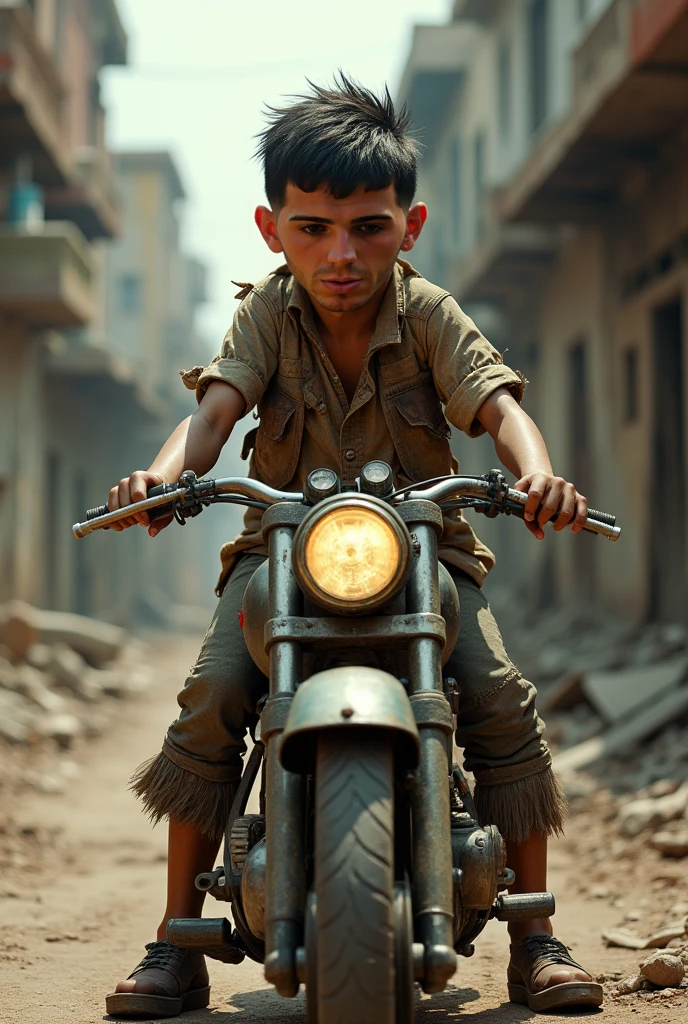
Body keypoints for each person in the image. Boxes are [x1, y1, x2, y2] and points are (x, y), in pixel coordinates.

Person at [105, 75, 603, 1017]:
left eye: (369, 227)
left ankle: (537, 935)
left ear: (409, 225)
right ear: (271, 227)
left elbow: (500, 410)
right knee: (213, 695)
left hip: (427, 554)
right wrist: (161, 478)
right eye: (313, 228)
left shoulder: (430, 315)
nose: (341, 253)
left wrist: (536, 474)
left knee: (499, 697)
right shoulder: (264, 316)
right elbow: (209, 418)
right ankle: (175, 942)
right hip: (280, 554)